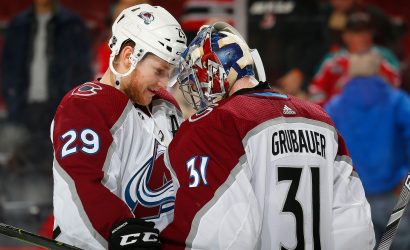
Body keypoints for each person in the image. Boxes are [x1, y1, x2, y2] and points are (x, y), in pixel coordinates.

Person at [157, 21, 375, 249]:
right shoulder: (320, 118)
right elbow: (353, 223)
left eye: (197, 81)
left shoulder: (219, 123)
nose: (197, 92)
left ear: (214, 75)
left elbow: (224, 232)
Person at [51, 4, 186, 250]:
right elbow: (82, 184)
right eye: (158, 71)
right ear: (128, 57)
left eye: (170, 73)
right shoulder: (85, 105)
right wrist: (119, 229)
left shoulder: (166, 106)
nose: (164, 83)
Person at [325, 52, 410, 250]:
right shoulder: (397, 101)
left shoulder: (335, 107)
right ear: (379, 71)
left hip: (352, 201)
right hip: (394, 193)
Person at [0, 0, 93, 170]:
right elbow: (8, 69)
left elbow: (82, 70)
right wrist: (13, 103)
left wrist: (72, 108)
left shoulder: (73, 24)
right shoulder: (17, 25)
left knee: (57, 168)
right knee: (23, 168)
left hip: (59, 109)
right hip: (24, 108)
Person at [309, 10, 400, 106]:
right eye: (358, 32)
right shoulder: (333, 61)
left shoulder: (384, 57)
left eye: (367, 31)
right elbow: (316, 91)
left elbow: (396, 88)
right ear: (346, 36)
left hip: (376, 114)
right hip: (339, 116)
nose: (364, 37)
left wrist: (378, 75)